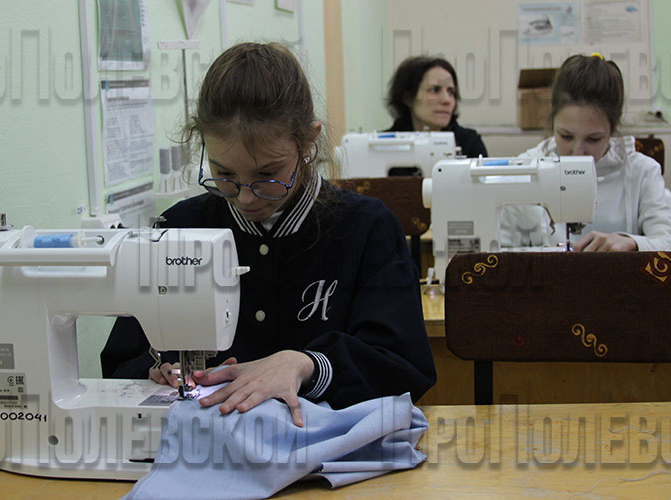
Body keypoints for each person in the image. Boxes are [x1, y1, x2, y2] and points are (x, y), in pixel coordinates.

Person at [101, 42, 437, 427]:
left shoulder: (367, 229)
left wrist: (306, 365)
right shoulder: (175, 231)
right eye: (224, 174)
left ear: (308, 141)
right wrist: (155, 369)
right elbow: (119, 362)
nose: (244, 197)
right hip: (208, 455)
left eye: (267, 175)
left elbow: (406, 367)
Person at [518, 53, 671, 252]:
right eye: (566, 136)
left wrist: (632, 242)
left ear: (614, 126)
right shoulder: (524, 169)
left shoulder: (642, 173)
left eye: (593, 139)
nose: (578, 154)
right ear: (552, 118)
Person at [385, 56, 488, 158]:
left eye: (450, 91)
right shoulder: (384, 145)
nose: (446, 100)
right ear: (408, 98)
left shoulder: (470, 143)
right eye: (434, 90)